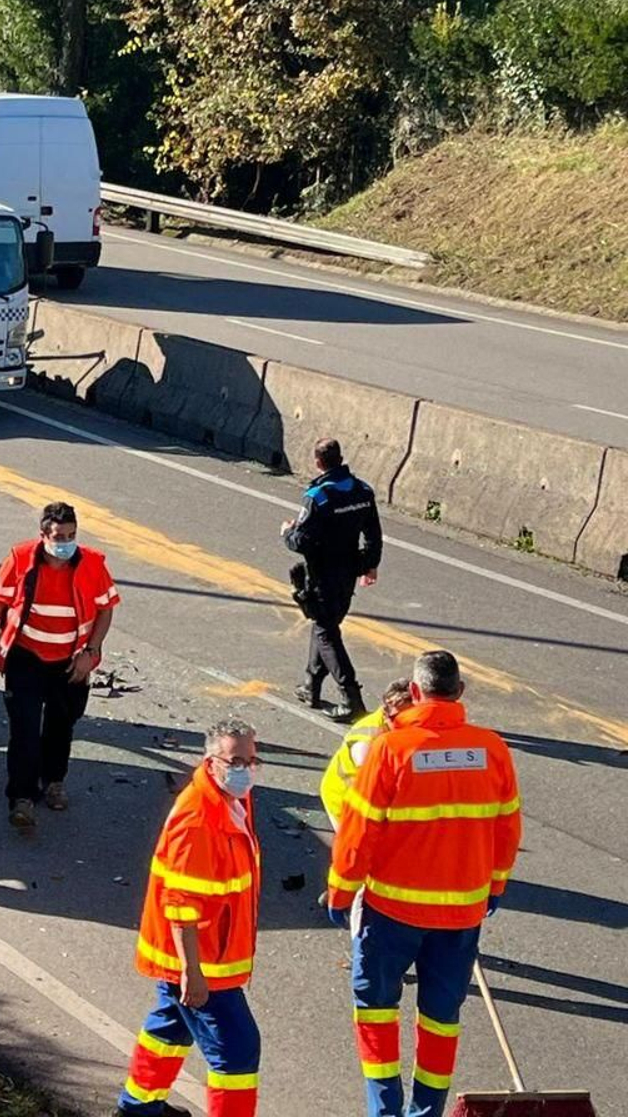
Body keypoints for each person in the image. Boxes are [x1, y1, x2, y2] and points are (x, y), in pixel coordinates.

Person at [328, 650, 522, 1117]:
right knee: (441, 1018)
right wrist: (493, 889)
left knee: (376, 1009)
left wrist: (341, 892)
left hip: (392, 911)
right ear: (460, 693)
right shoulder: (492, 749)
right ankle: (426, 1111)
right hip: (461, 916)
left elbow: (359, 831)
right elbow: (507, 830)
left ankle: (385, 1107)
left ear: (415, 692)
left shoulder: (392, 750)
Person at [113, 718, 262, 1117]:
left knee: (168, 1030)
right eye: (236, 760)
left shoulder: (229, 801)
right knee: (237, 1053)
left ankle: (137, 1108)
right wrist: (192, 972)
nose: (245, 769)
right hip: (203, 961)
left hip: (202, 954)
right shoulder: (199, 819)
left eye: (251, 759)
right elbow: (180, 907)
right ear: (211, 761)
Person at [0, 501, 121, 828]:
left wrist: (90, 652)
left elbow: (105, 609)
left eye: (71, 535)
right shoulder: (21, 559)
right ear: (43, 535)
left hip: (70, 662)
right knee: (24, 728)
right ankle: (22, 798)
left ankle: (54, 782)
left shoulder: (92, 564)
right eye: (59, 535)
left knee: (60, 725)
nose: (65, 542)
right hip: (26, 658)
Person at [282, 437, 382, 717]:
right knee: (324, 625)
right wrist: (369, 564)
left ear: (317, 462)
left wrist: (286, 531)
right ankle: (310, 686)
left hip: (322, 572)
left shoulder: (319, 497)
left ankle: (351, 697)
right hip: (349, 570)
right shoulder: (362, 491)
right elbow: (373, 534)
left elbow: (300, 541)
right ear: (340, 458)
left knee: (326, 632)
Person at [320, 677, 412, 830]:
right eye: (403, 716)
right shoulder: (367, 738)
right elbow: (371, 775)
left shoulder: (392, 724)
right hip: (342, 799)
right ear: (388, 709)